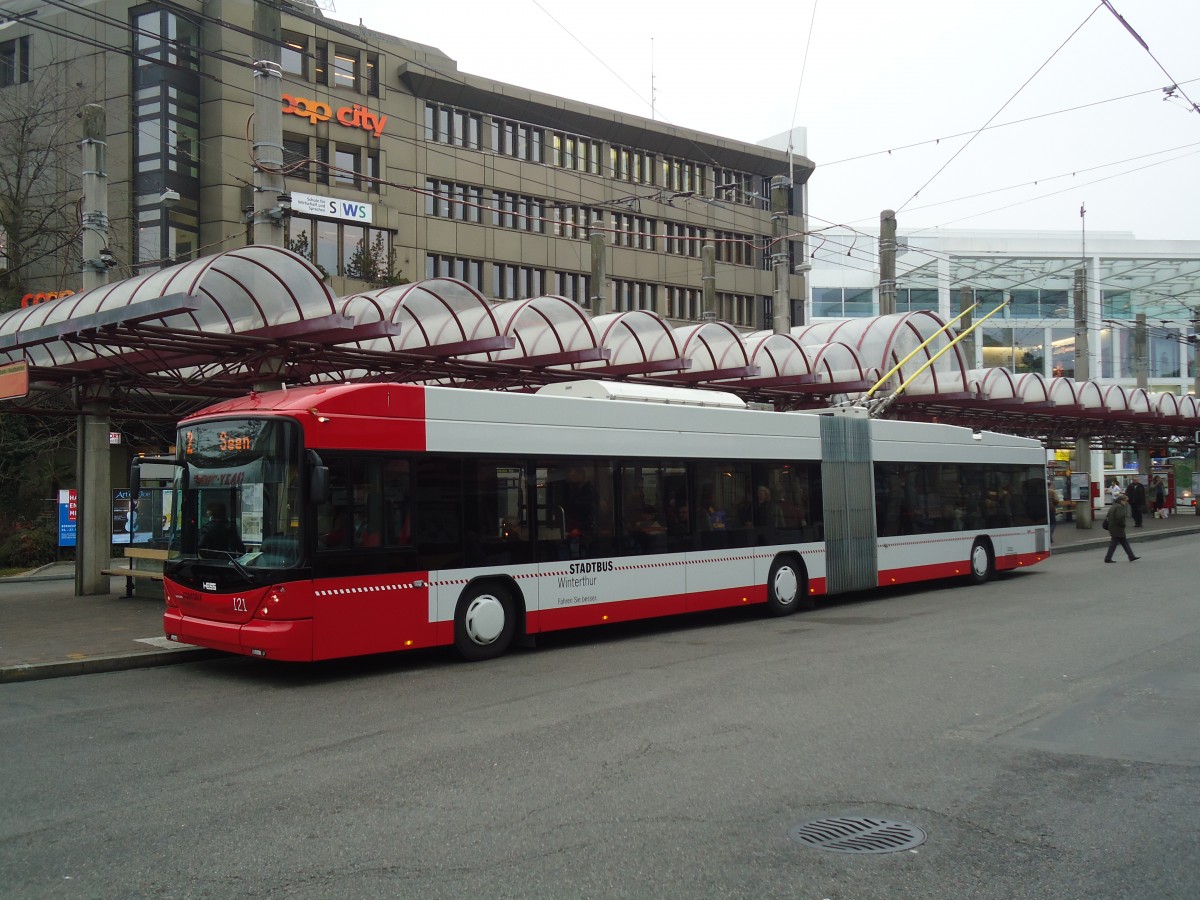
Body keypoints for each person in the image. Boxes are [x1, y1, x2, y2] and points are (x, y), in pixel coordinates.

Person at [1102, 494, 1139, 564]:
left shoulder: (1113, 506)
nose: (1126, 503)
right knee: (1114, 543)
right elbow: (1119, 518)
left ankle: (1131, 556)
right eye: (1125, 501)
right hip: (1117, 528)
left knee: (1124, 542)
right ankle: (1108, 558)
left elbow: (1108, 516)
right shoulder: (1119, 507)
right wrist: (1123, 524)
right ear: (1121, 501)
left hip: (1112, 527)